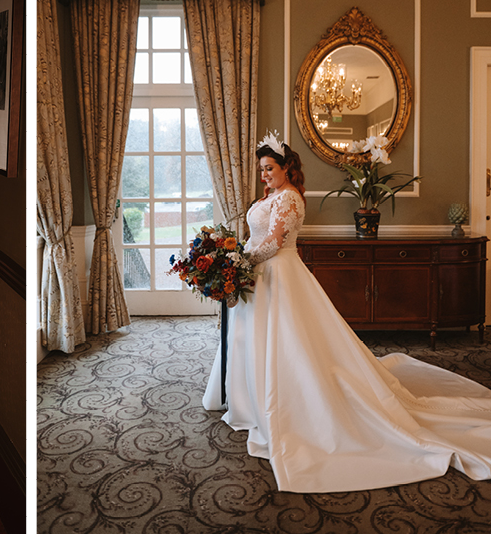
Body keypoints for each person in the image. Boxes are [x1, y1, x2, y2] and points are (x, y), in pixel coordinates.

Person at [203, 131, 491, 493]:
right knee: (257, 339)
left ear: (286, 167)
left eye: (269, 168)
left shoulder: (290, 198)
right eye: (261, 169)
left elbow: (276, 242)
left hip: (280, 274)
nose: (264, 174)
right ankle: (248, 399)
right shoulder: (273, 195)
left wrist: (241, 262)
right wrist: (237, 262)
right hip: (259, 278)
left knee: (289, 344)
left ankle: (290, 402)